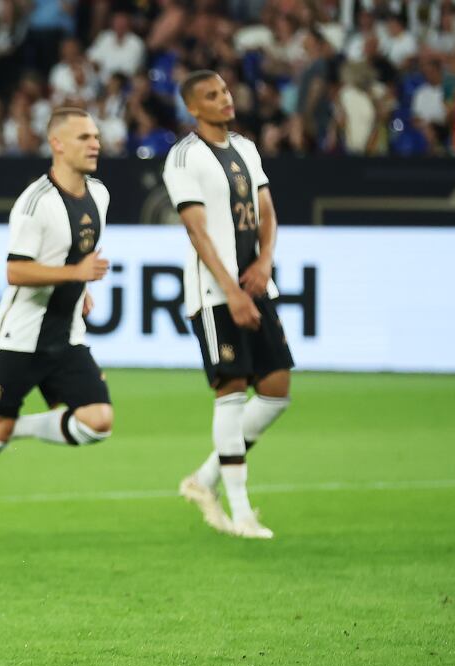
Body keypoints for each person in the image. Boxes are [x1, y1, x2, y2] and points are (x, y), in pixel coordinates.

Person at [0, 107, 113, 559]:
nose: (94, 143)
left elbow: (82, 250)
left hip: (67, 335)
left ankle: (19, 427)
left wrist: (81, 287)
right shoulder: (35, 202)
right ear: (57, 144)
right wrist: (74, 272)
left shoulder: (100, 193)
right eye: (83, 137)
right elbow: (16, 270)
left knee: (98, 422)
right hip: (20, 337)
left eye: (95, 136)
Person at [163, 71, 293, 540]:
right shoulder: (183, 158)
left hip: (256, 284)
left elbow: (267, 210)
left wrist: (264, 263)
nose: (225, 99)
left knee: (277, 390)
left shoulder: (246, 148)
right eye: (212, 95)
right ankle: (241, 513)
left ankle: (203, 480)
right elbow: (197, 230)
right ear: (193, 109)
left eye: (225, 91)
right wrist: (232, 290)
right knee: (232, 390)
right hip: (215, 294)